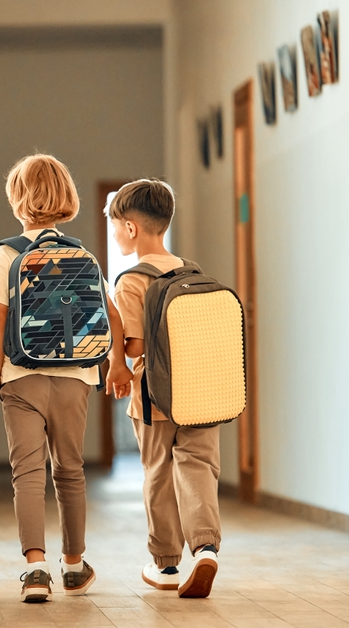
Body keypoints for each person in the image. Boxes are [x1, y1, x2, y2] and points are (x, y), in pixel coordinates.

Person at [0, 155, 132, 603]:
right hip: (75, 376)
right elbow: (111, 316)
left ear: (17, 199)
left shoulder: (5, 254)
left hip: (20, 374)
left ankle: (34, 570)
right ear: (67, 198)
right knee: (70, 470)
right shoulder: (81, 254)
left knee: (26, 473)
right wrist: (118, 364)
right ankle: (73, 566)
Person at [108, 178, 222, 598]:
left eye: (116, 226)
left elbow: (136, 344)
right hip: (205, 391)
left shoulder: (131, 280)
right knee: (199, 468)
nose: (116, 234)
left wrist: (116, 347)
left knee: (159, 473)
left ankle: (167, 564)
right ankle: (206, 548)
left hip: (155, 396)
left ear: (132, 228)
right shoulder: (191, 271)